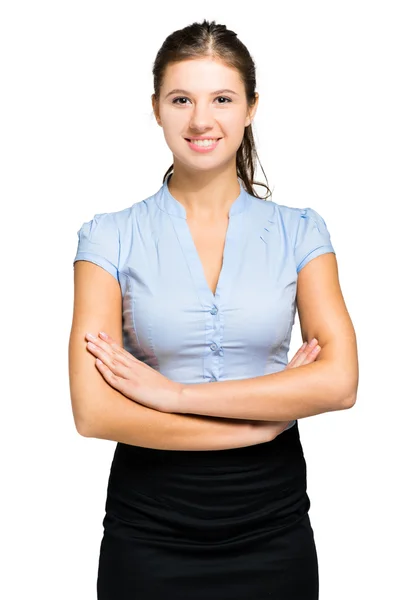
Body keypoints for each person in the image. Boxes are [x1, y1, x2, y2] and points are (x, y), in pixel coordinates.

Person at [69, 18, 358, 600]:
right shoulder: (108, 238)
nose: (201, 120)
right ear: (156, 109)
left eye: (221, 98)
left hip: (272, 528)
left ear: (251, 107)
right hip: (147, 532)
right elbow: (93, 413)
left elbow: (340, 383)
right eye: (182, 99)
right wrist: (264, 422)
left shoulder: (301, 233)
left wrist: (172, 395)